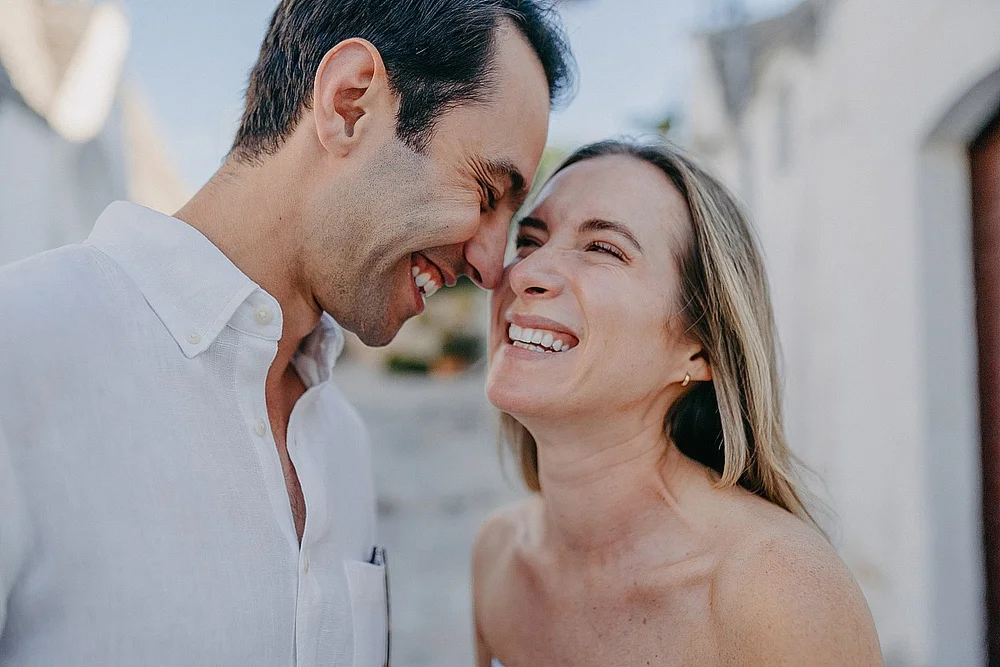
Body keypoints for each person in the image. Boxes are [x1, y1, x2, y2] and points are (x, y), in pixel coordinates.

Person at [0, 1, 572, 664]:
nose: (493, 263)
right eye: (485, 190)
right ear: (350, 102)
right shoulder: (20, 351)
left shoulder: (343, 442)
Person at [474, 139, 883, 667]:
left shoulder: (778, 593)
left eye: (603, 248)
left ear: (699, 346)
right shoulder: (497, 555)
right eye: (529, 241)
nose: (525, 273)